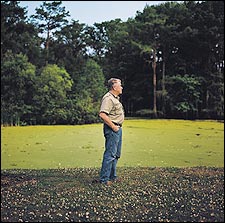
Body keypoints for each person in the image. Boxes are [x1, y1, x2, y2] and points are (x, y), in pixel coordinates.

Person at [98, 78, 124, 186]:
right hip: (113, 129)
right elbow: (102, 114)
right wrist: (113, 127)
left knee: (116, 154)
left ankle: (112, 177)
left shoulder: (115, 98)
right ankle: (104, 179)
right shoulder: (108, 98)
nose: (122, 87)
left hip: (118, 129)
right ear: (114, 87)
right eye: (120, 85)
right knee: (110, 154)